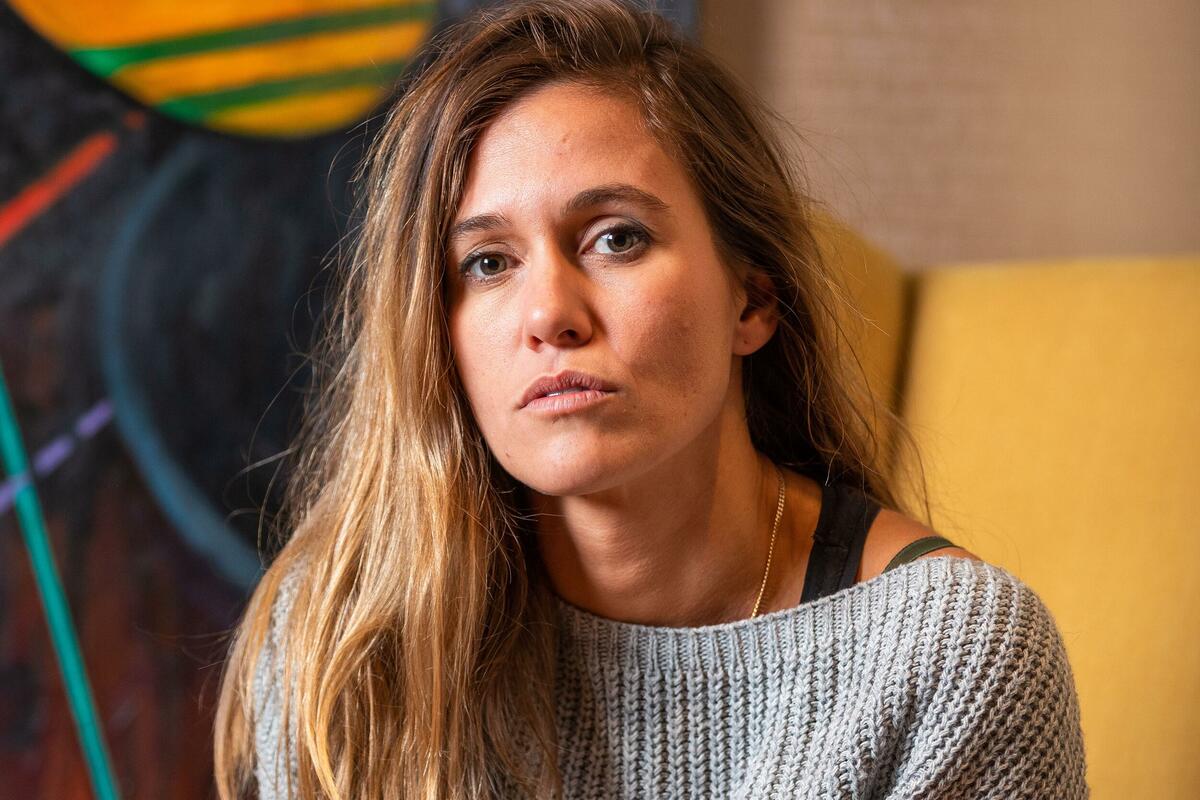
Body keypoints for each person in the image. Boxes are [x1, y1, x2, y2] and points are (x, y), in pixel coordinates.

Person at [213, 1, 1088, 798]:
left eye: (616, 239)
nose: (548, 314)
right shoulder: (351, 639)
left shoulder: (952, 656)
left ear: (752, 301)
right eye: (488, 262)